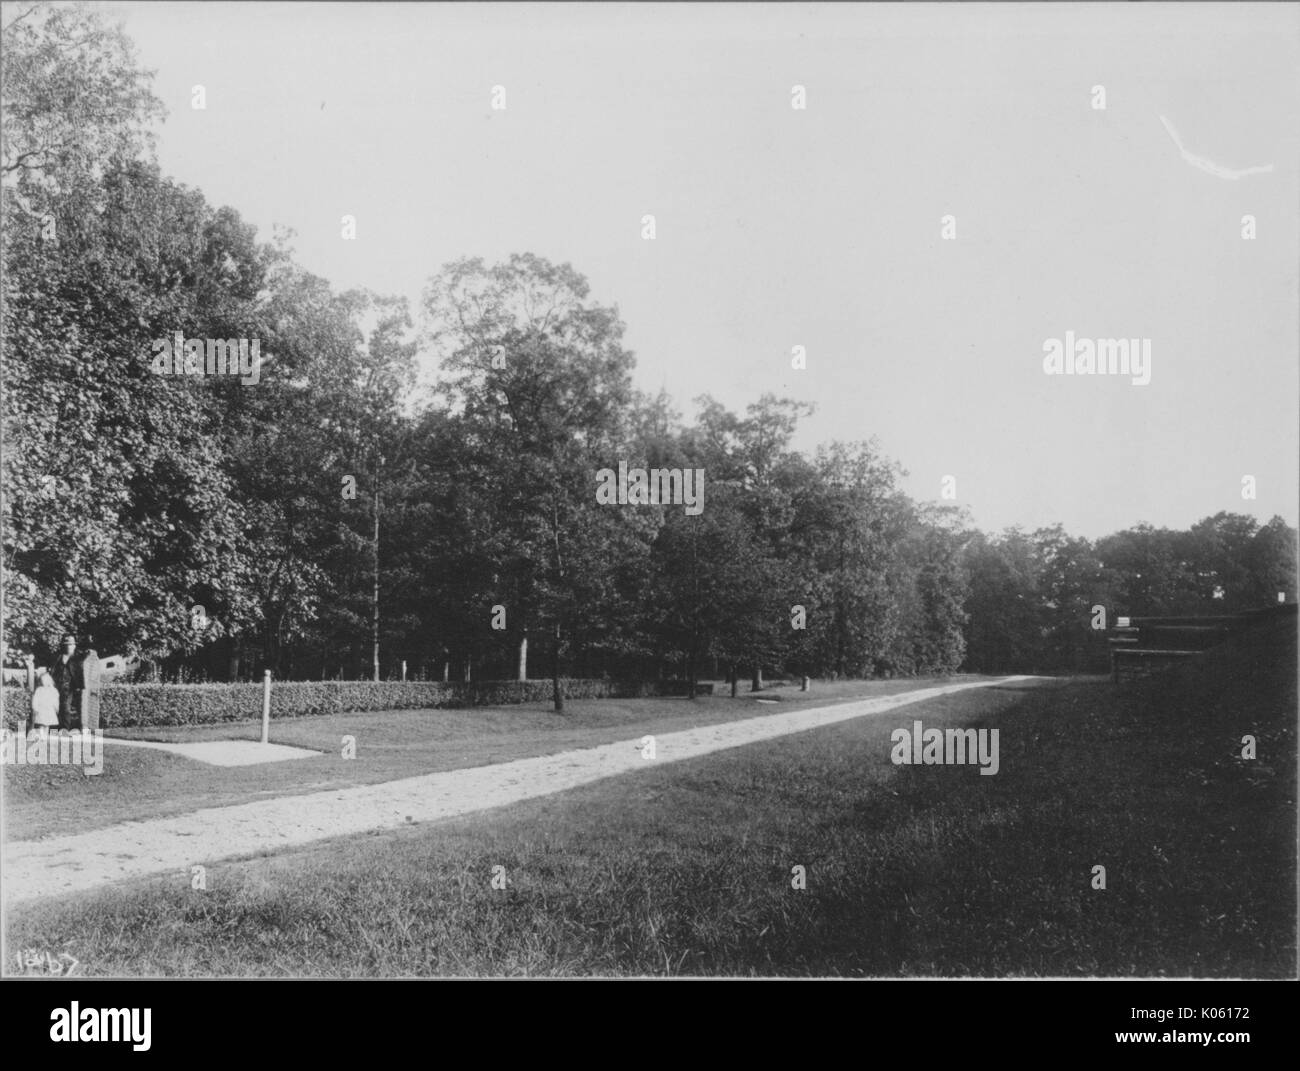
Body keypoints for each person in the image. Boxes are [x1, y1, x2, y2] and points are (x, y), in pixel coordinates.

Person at [49, 634, 86, 733]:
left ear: (74, 645)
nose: (68, 646)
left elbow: (83, 672)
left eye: (70, 644)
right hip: (62, 686)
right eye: (66, 644)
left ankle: (82, 728)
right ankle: (64, 729)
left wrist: (81, 685)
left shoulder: (80, 657)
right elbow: (53, 671)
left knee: (81, 707)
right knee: (63, 708)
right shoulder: (58, 657)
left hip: (76, 686)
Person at [30, 672, 59, 740]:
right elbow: (35, 700)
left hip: (49, 709)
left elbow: (55, 700)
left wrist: (56, 708)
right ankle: (42, 736)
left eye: (45, 680)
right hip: (41, 709)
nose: (43, 682)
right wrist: (35, 707)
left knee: (47, 724)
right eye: (42, 680)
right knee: (42, 724)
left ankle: (44, 736)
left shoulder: (53, 690)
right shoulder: (39, 690)